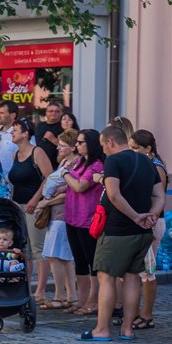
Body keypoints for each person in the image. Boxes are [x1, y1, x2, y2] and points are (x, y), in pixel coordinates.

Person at [80, 125, 161, 342]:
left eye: (103, 146)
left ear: (110, 142)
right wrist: (150, 215)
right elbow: (159, 195)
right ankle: (127, 329)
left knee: (106, 277)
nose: (103, 151)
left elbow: (114, 195)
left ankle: (102, 329)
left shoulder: (114, 161)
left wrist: (135, 216)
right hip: (142, 231)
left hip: (117, 229)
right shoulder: (145, 160)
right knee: (132, 277)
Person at [7, 121, 55, 304]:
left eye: (16, 130)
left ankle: (40, 290)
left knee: (38, 249)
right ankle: (26, 287)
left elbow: (49, 177)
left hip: (33, 207)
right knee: (23, 250)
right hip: (18, 206)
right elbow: (14, 182)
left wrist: (36, 200)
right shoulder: (15, 154)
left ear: (26, 134)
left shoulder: (37, 152)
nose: (12, 133)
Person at [62, 128, 105, 316]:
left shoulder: (97, 165)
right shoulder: (80, 161)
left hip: (87, 219)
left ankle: (93, 301)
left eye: (80, 142)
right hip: (72, 217)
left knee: (92, 261)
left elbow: (80, 186)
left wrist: (65, 174)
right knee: (79, 261)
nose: (77, 145)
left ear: (91, 144)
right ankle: (81, 300)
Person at [37, 130, 79, 309]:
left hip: (63, 214)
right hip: (56, 213)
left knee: (56, 255)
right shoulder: (64, 162)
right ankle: (71, 295)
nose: (59, 148)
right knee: (62, 256)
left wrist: (46, 202)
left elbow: (70, 192)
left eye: (62, 145)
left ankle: (60, 295)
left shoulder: (75, 165)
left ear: (72, 147)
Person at [131, 129, 166, 330]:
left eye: (136, 148)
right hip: (142, 220)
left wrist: (150, 217)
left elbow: (158, 197)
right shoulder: (144, 163)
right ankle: (135, 312)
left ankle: (147, 314)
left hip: (152, 222)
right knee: (137, 271)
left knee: (148, 271)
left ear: (148, 149)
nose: (132, 151)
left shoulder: (156, 167)